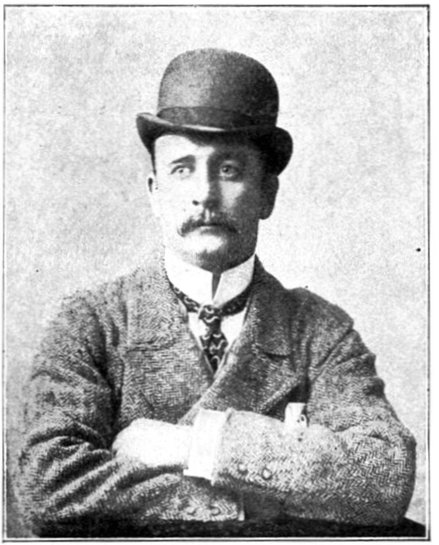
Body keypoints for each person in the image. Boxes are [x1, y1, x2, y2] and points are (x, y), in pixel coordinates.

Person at [17, 48, 416, 537]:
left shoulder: (320, 331)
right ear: (155, 192)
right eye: (181, 169)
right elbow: (47, 485)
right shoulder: (90, 323)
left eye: (228, 170)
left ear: (267, 194)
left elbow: (385, 476)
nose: (204, 194)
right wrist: (247, 503)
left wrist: (195, 445)